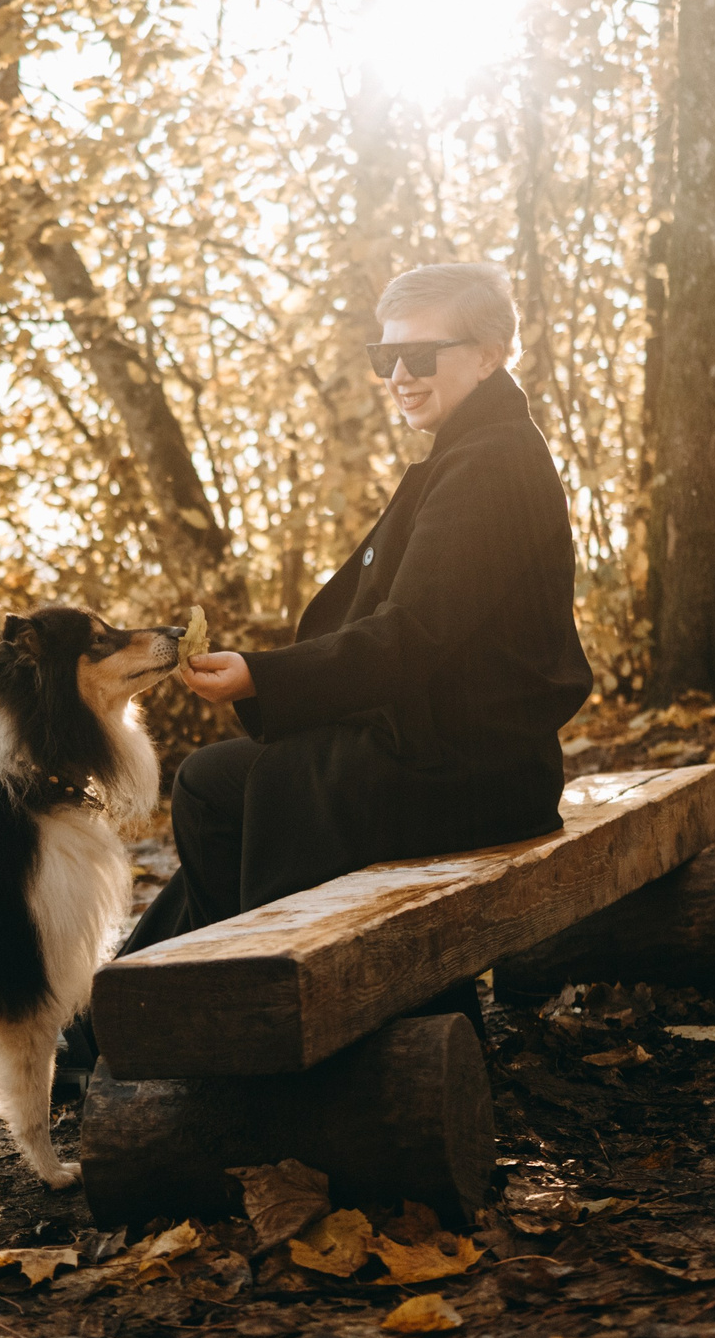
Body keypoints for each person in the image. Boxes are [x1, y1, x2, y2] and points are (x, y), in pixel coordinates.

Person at [57, 262, 594, 1092]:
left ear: (489, 355)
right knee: (220, 786)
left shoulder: (488, 464)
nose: (400, 376)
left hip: (474, 772)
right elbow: (401, 630)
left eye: (422, 355)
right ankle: (131, 1014)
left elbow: (411, 637)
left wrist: (262, 679)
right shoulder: (473, 447)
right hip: (449, 749)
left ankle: (234, 1028)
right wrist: (274, 680)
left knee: (215, 785)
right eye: (386, 358)